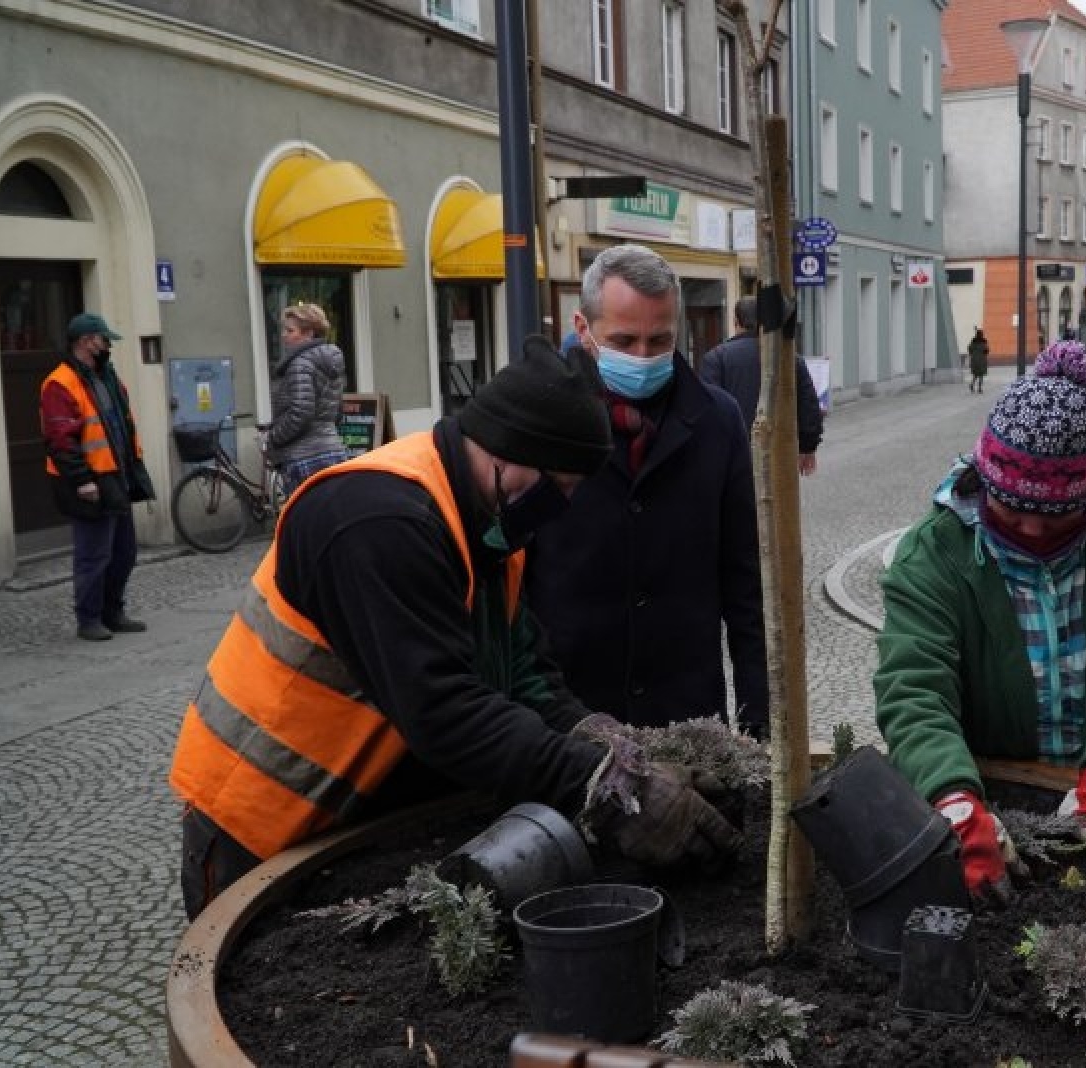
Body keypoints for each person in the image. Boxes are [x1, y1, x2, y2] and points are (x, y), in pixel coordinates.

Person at [168, 335, 741, 919]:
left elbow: (525, 675)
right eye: (561, 488)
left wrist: (604, 742)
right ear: (511, 454)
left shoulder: (490, 525)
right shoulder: (377, 522)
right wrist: (611, 789)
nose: (562, 508)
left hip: (355, 823)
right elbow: (446, 710)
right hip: (263, 825)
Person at [873, 339, 1086, 906]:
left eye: (1053, 517)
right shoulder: (933, 553)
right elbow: (914, 691)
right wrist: (954, 803)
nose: (1027, 528)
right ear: (985, 477)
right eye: (1009, 508)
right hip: (986, 797)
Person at [526, 244, 769, 738]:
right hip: (568, 712)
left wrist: (757, 711)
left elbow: (743, 575)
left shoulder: (718, 420)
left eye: (660, 340)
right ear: (583, 330)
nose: (642, 356)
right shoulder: (539, 419)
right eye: (625, 339)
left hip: (685, 712)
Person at [40, 312, 156, 641]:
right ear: (87, 341)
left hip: (116, 476)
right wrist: (82, 480)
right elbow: (59, 439)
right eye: (104, 339)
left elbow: (120, 424)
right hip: (90, 481)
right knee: (94, 555)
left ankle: (112, 611)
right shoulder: (59, 383)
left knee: (124, 552)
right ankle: (88, 618)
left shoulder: (106, 377)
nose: (108, 345)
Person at [699, 296, 825, 476]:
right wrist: (808, 447)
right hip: (779, 454)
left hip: (732, 458)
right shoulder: (790, 358)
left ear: (736, 322)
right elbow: (808, 406)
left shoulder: (716, 358)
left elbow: (707, 413)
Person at [267, 302, 350, 497]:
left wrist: (273, 437)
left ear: (309, 333)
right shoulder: (332, 362)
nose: (283, 335)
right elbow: (337, 411)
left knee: (305, 523)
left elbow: (301, 413)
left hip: (304, 457)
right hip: (333, 451)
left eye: (290, 330)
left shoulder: (300, 364)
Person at [966, 327, 990, 393]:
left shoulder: (973, 341)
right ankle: (979, 388)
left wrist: (973, 354)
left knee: (975, 374)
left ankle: (972, 384)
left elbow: (969, 349)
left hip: (974, 360)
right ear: (982, 334)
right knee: (981, 375)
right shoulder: (984, 341)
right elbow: (986, 350)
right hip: (982, 360)